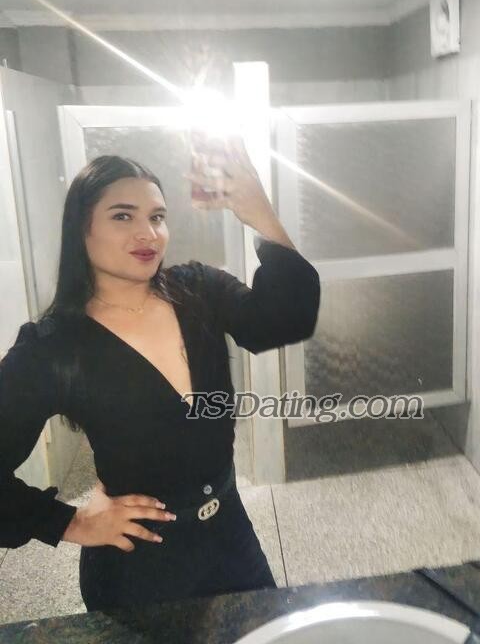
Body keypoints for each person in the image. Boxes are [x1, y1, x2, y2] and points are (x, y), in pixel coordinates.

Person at [0, 137, 320, 612]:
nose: (147, 233)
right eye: (122, 216)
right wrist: (71, 523)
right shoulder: (54, 344)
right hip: (139, 565)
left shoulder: (198, 290)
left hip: (230, 537)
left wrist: (261, 215)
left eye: (157, 217)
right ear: (81, 228)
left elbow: (286, 319)